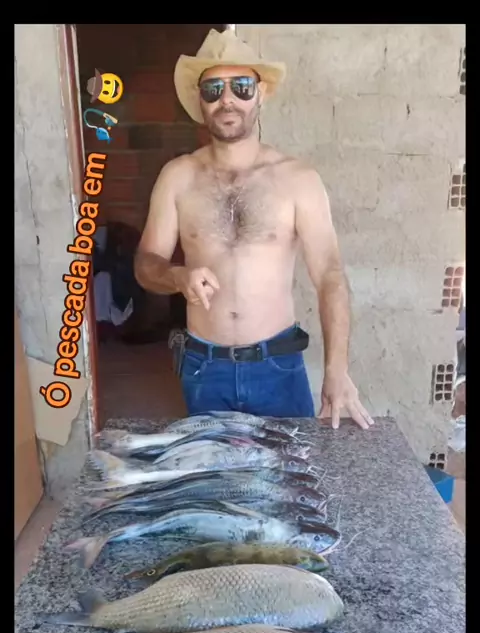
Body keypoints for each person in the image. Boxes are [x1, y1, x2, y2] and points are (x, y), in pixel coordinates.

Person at [134, 28, 373, 429]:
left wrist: (337, 369)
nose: (227, 99)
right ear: (200, 99)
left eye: (241, 87)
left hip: (277, 367)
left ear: (260, 94)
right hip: (204, 368)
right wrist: (177, 276)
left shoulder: (298, 179)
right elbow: (146, 263)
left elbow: (330, 275)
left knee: (292, 469)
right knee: (213, 469)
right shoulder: (177, 176)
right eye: (213, 89)